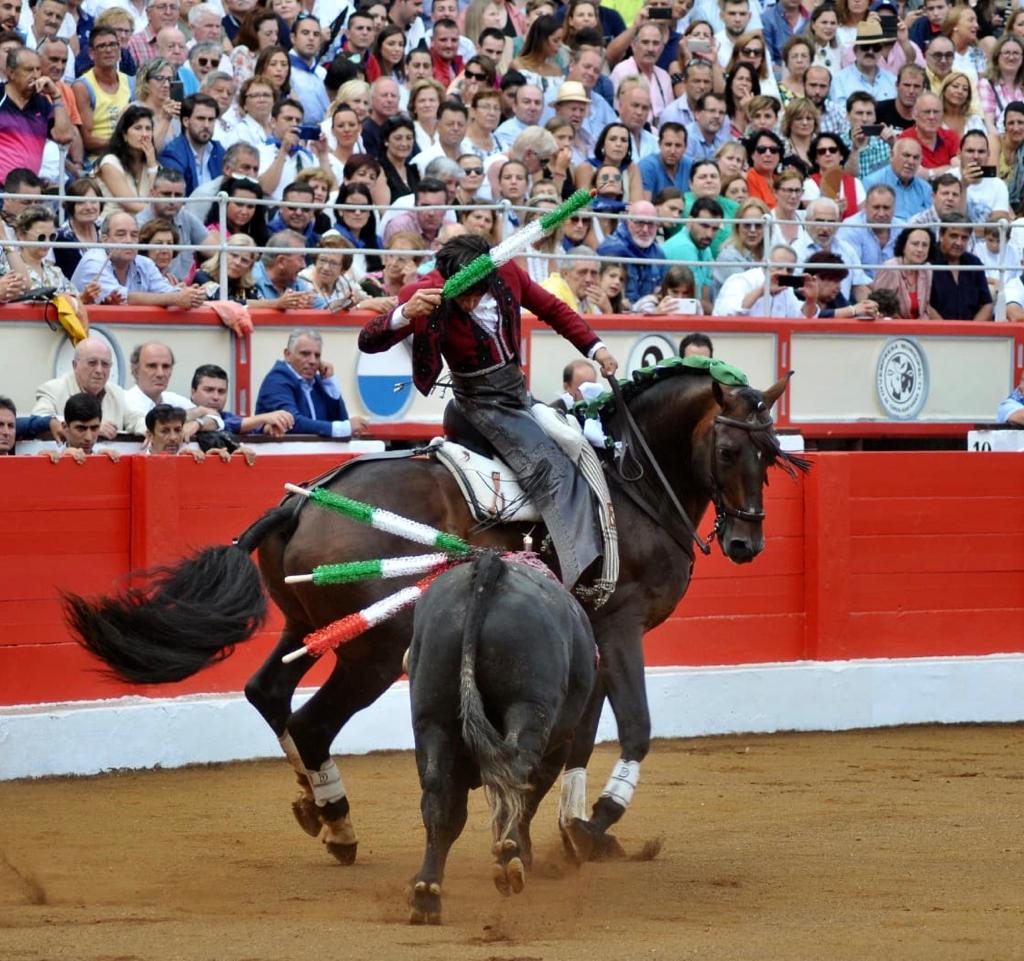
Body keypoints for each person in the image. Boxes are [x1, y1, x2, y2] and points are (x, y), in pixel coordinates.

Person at [359, 233, 618, 590]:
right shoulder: (423, 293)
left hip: (518, 395)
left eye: (475, 294)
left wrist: (596, 348)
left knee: (578, 442)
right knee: (553, 472)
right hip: (478, 403)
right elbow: (368, 341)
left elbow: (554, 309)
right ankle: (575, 580)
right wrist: (404, 314)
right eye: (462, 295)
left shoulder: (508, 273)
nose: (467, 303)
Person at [71, 212, 208, 308]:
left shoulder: (145, 263)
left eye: (134, 235)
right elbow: (124, 297)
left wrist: (193, 295)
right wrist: (177, 298)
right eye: (121, 234)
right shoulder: (93, 260)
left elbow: (165, 291)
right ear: (104, 239)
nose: (129, 241)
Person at [254, 327, 368, 439]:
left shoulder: (318, 381)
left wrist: (330, 383)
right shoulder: (276, 380)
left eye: (317, 355)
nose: (313, 361)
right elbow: (292, 423)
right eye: (305, 354)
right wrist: (345, 428)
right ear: (287, 354)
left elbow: (341, 420)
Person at [32, 337, 146, 440]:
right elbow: (39, 419)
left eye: (105, 364)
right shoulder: (53, 390)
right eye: (92, 363)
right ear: (75, 365)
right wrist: (92, 427)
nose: (99, 370)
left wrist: (150, 430)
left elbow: (136, 420)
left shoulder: (117, 393)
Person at [0, 47, 73, 181]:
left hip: (29, 190)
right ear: (11, 73)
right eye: (29, 70)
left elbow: (65, 137)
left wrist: (56, 95)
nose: (35, 76)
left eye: (38, 69)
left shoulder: (42, 103)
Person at [126, 342, 223, 437]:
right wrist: (198, 412)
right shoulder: (125, 400)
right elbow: (152, 427)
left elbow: (216, 418)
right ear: (135, 370)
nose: (160, 374)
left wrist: (198, 424)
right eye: (152, 366)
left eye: (166, 366)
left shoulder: (173, 399)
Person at [137, 167, 211, 281]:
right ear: (152, 193)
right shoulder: (138, 225)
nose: (172, 201)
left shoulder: (185, 216)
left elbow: (215, 250)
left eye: (178, 195)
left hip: (187, 288)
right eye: (166, 194)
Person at [711, 243, 821, 317]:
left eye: (789, 270)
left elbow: (801, 319)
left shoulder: (786, 289)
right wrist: (762, 290)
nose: (784, 273)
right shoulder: (740, 281)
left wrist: (811, 301)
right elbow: (727, 313)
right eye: (778, 267)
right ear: (765, 263)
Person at [794, 197, 871, 302]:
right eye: (820, 221)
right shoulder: (796, 250)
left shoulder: (847, 250)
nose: (825, 228)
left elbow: (859, 286)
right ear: (807, 222)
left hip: (845, 314)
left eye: (831, 222)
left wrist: (869, 308)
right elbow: (796, 291)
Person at [191, 363, 294, 437]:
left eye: (221, 391)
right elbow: (226, 425)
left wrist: (267, 428)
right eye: (209, 390)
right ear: (193, 392)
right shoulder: (181, 415)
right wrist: (263, 418)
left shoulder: (227, 416)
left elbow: (240, 424)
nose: (216, 397)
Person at [596, 199, 667, 304]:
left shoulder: (659, 254)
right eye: (639, 222)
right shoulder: (610, 249)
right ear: (626, 221)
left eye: (651, 224)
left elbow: (662, 293)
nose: (645, 229)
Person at [661, 196, 723, 313]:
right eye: (704, 226)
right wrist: (722, 313)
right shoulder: (684, 247)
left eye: (715, 229)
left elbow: (703, 298)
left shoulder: (705, 247)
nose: (709, 234)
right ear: (690, 222)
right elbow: (692, 301)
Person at [928, 214, 993, 321]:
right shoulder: (928, 262)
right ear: (941, 235)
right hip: (936, 334)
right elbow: (925, 305)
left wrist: (970, 332)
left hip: (972, 334)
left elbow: (987, 305)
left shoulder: (974, 263)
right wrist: (949, 333)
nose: (959, 242)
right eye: (954, 236)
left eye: (964, 238)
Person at [158, 92, 225, 194]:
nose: (207, 125)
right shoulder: (172, 153)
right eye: (201, 119)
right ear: (186, 121)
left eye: (211, 120)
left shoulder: (219, 151)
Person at [873, 225, 939, 319]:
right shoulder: (890, 268)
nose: (920, 249)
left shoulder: (927, 269)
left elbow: (925, 308)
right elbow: (881, 308)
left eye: (924, 245)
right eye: (915, 244)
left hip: (920, 328)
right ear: (903, 246)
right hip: (894, 329)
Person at [250, 230, 327, 309]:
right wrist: (276, 304)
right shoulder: (249, 276)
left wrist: (338, 305)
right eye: (301, 258)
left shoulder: (295, 282)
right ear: (281, 261)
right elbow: (239, 304)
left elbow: (325, 308)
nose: (304, 265)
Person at [41, 393, 122, 464]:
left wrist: (107, 464)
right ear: (65, 428)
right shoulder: (52, 457)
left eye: (94, 428)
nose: (88, 438)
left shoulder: (107, 456)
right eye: (81, 429)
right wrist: (46, 463)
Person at [864, 137, 931, 220]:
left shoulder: (925, 188)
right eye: (906, 155)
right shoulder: (872, 183)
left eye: (916, 158)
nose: (911, 162)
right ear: (892, 155)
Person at [845, 184, 904, 278]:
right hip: (861, 287)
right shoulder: (850, 228)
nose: (881, 214)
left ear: (894, 208)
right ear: (865, 206)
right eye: (876, 207)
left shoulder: (903, 229)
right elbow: (854, 274)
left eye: (886, 208)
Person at [639, 122, 691, 200]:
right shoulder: (647, 167)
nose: (672, 151)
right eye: (668, 145)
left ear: (685, 147)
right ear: (659, 144)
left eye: (678, 146)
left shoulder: (691, 165)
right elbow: (644, 207)